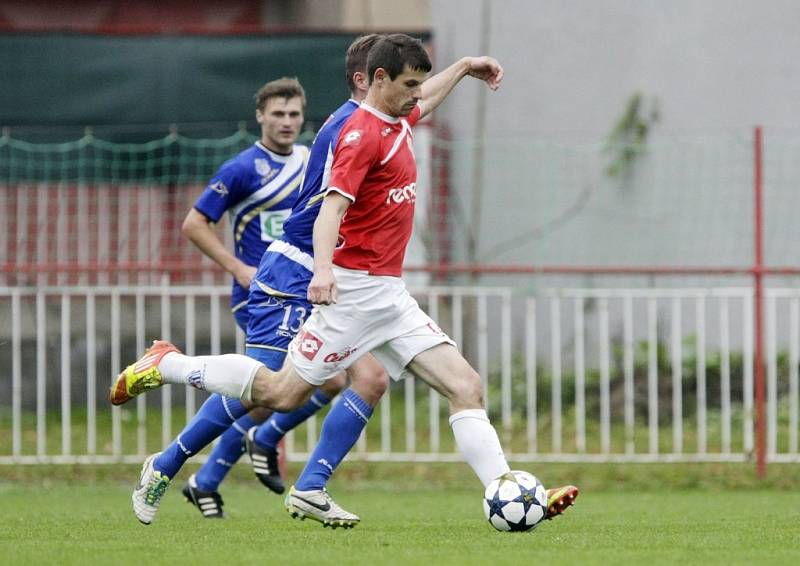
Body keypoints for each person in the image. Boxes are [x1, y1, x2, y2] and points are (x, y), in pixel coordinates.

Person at [113, 34, 578, 527]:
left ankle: (507, 491)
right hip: (328, 280)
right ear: (372, 80)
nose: (418, 95)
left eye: (419, 84)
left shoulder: (396, 119)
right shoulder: (356, 132)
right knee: (275, 391)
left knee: (461, 385)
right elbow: (330, 209)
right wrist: (324, 270)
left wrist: (463, 67)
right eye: (409, 85)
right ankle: (170, 371)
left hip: (385, 293)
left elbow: (425, 101)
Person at [131, 76, 352, 525]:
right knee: (268, 387)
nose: (287, 122)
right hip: (262, 291)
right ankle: (194, 464)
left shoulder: (312, 162)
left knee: (324, 382)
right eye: (278, 114)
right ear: (260, 117)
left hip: (308, 289)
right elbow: (194, 224)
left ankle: (218, 467)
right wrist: (238, 268)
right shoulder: (242, 168)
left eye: (293, 114)